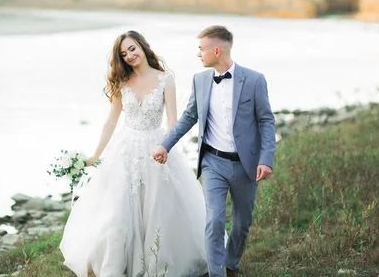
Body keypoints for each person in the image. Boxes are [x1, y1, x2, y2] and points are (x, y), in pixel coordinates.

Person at [60, 31, 208, 277]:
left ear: (142, 45)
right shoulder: (122, 82)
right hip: (125, 151)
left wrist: (168, 147)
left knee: (157, 208)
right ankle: (118, 264)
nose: (129, 55)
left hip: (157, 148)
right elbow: (110, 122)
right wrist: (96, 155)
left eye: (132, 48)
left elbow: (172, 120)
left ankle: (157, 264)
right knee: (117, 211)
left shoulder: (165, 79)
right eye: (123, 53)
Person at [153, 25, 277, 277]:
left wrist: (266, 159)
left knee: (242, 224)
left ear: (217, 50)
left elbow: (266, 121)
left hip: (246, 165)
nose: (198, 54)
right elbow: (189, 117)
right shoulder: (199, 81)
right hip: (213, 163)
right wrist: (165, 144)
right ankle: (216, 274)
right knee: (214, 221)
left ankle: (231, 265)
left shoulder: (254, 80)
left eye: (201, 49)